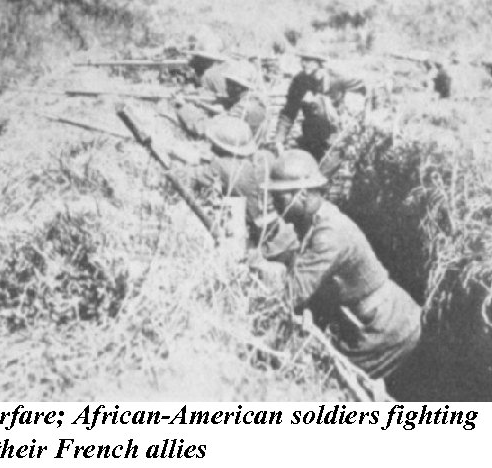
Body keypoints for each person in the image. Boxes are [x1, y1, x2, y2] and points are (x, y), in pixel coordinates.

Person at [261, 149, 421, 379]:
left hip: (386, 328)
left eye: (280, 197)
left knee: (328, 383)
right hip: (371, 319)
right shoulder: (312, 222)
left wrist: (257, 320)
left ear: (302, 195)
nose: (275, 204)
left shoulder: (329, 234)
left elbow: (294, 291)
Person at [179, 116, 297, 257]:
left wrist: (181, 155)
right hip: (281, 230)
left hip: (258, 239)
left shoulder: (220, 167)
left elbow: (187, 177)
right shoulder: (267, 157)